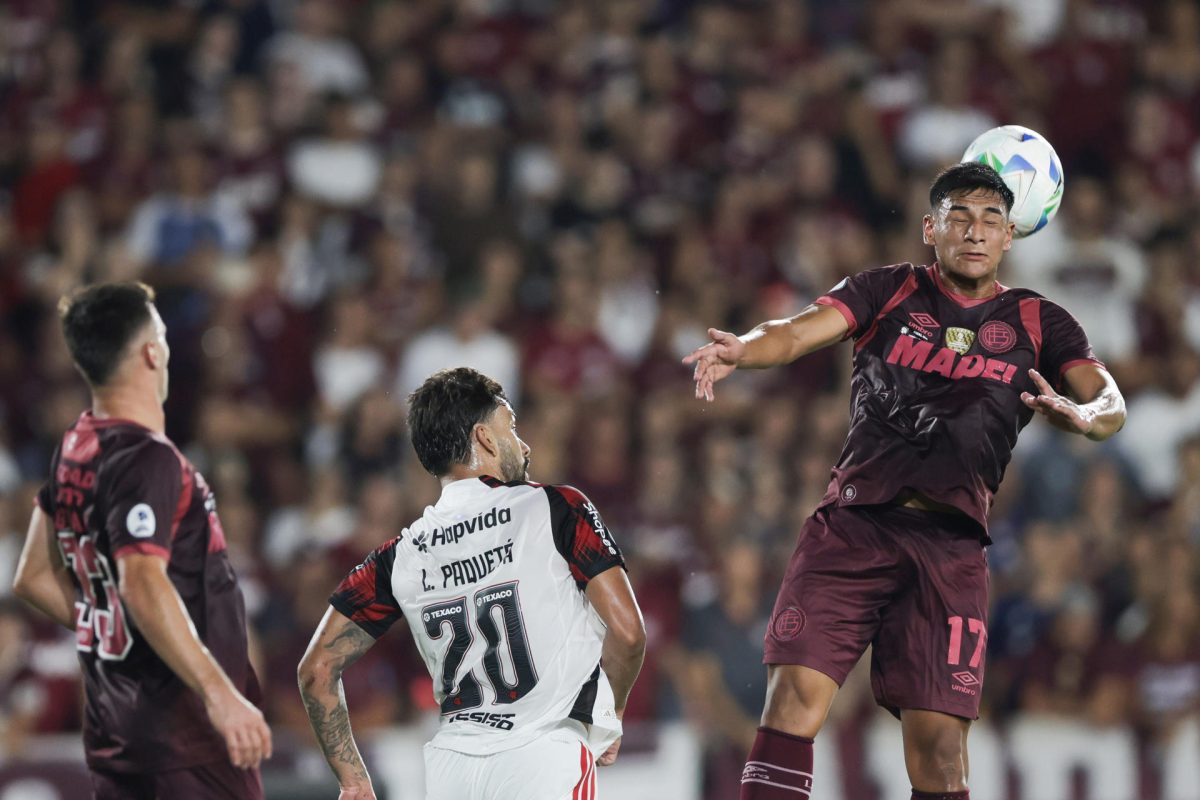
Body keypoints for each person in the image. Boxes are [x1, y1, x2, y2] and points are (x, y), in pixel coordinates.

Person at [684, 161, 1126, 800]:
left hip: (951, 548)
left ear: (1010, 237)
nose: (975, 233)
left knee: (940, 754)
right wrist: (744, 349)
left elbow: (1108, 399)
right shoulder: (885, 289)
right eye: (960, 219)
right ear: (931, 228)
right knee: (794, 702)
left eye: (991, 221)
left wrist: (1086, 415)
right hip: (853, 527)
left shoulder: (1040, 322)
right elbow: (798, 330)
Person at [298, 367, 646, 800]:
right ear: (483, 437)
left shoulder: (400, 555)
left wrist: (353, 779)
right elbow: (629, 633)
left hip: (451, 771)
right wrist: (609, 712)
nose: (523, 444)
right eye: (512, 427)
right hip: (543, 756)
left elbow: (316, 671)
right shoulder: (555, 508)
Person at [12, 282, 271, 799]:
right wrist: (219, 693)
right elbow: (142, 580)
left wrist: (124, 633)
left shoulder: (77, 446)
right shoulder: (148, 459)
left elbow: (35, 577)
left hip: (117, 738)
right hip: (185, 738)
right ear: (153, 350)